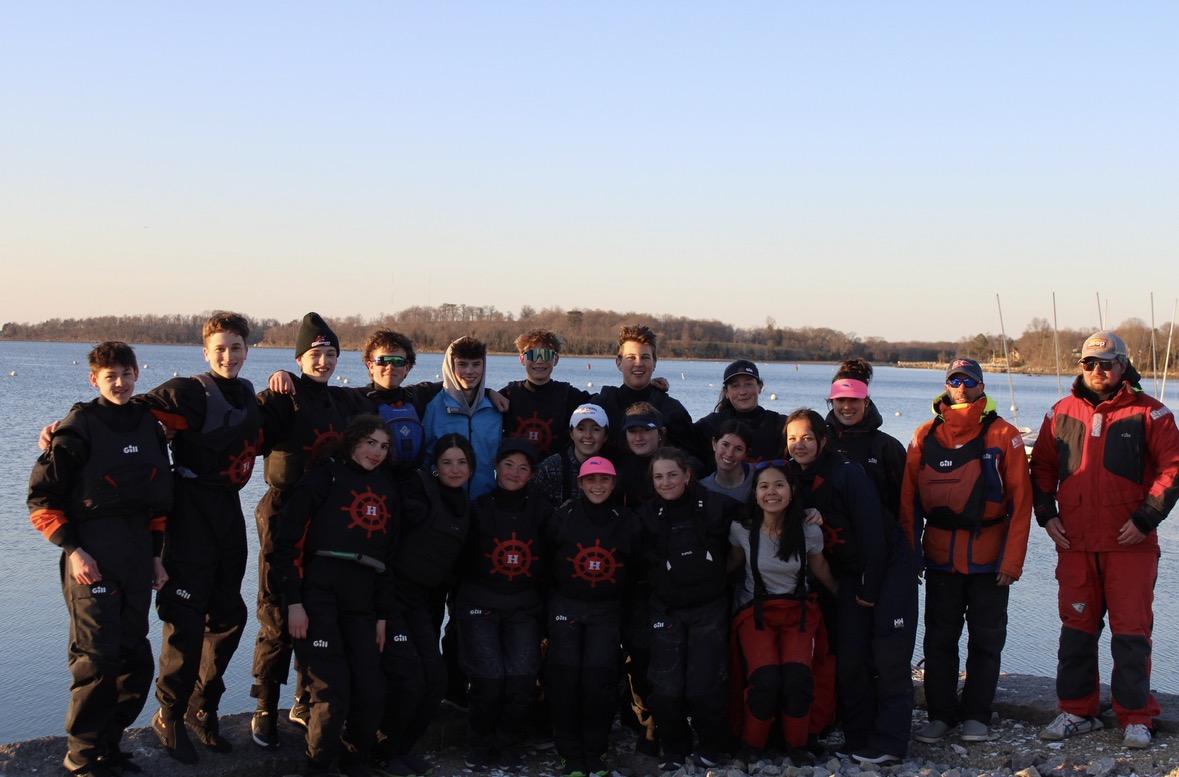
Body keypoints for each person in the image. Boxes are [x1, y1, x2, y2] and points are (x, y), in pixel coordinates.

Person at [29, 341, 173, 777]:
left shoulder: (149, 425)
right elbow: (42, 500)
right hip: (90, 553)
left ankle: (109, 745)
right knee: (97, 660)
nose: (120, 383)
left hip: (136, 553)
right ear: (95, 379)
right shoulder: (79, 426)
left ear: (137, 374)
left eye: (126, 374)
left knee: (135, 659)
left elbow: (158, 503)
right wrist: (72, 551)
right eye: (110, 376)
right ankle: (82, 755)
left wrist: (156, 558)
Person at [1031, 331, 1179, 749]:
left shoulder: (1152, 414)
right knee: (1076, 632)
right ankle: (1078, 711)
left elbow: (1173, 469)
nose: (1098, 370)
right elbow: (1041, 467)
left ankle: (1136, 716)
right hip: (1075, 545)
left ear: (1123, 365)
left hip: (1130, 545)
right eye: (1089, 363)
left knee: (1131, 633)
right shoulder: (1060, 412)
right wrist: (1046, 515)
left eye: (1107, 363)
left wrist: (1147, 519)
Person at [140, 311, 262, 763]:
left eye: (236, 348)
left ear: (247, 349)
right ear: (206, 352)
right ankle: (169, 713)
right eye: (220, 349)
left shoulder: (247, 393)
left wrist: (288, 379)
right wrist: (66, 427)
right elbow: (122, 408)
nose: (229, 356)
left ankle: (202, 705)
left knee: (229, 613)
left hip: (228, 509)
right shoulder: (188, 392)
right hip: (189, 509)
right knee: (186, 617)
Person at [900, 358, 1032, 747]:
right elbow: (908, 502)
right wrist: (911, 556)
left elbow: (1021, 503)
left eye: (969, 380)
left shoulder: (1004, 434)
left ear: (981, 387)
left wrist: (1013, 561)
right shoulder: (925, 435)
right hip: (940, 558)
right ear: (946, 386)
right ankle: (940, 715)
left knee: (986, 641)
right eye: (954, 380)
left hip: (990, 560)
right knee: (939, 640)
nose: (961, 386)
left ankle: (976, 715)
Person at [251, 312, 364, 749]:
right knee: (277, 608)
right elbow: (241, 421)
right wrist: (274, 381)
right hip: (283, 512)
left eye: (331, 354)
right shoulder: (282, 397)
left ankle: (303, 698)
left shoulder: (345, 401)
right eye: (315, 354)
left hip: (327, 517)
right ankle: (265, 704)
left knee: (315, 608)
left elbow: (399, 397)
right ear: (299, 358)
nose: (323, 361)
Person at [273, 415, 399, 777]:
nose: (376, 452)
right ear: (353, 440)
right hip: (317, 597)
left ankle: (355, 761)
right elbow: (286, 543)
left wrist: (382, 615)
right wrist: (294, 602)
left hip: (362, 603)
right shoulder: (324, 477)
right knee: (332, 693)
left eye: (384, 446)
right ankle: (317, 766)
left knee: (371, 689)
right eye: (370, 443)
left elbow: (388, 557)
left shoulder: (387, 488)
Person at [786, 408, 910, 766]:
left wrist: (871, 586)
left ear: (823, 440)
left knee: (887, 654)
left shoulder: (847, 473)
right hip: (847, 573)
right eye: (792, 438)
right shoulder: (792, 477)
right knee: (851, 657)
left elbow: (873, 531)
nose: (799, 445)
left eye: (807, 438)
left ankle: (890, 741)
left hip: (886, 566)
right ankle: (858, 736)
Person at [373, 434, 475, 777]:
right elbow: (388, 544)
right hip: (390, 596)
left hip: (420, 600)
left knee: (435, 679)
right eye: (447, 462)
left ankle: (402, 749)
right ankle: (382, 752)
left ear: (472, 467)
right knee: (409, 678)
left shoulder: (465, 504)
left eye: (462, 463)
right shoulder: (415, 493)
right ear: (435, 467)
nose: (455, 469)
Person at [727, 461, 837, 763]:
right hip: (756, 612)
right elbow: (731, 565)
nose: (771, 492)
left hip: (797, 612)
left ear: (792, 491)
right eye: (764, 486)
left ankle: (798, 745)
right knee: (765, 679)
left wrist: (846, 596)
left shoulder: (809, 531)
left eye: (779, 485)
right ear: (755, 493)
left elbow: (821, 569)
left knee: (798, 678)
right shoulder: (741, 530)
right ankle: (752, 745)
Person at [640, 447, 740, 771]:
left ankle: (712, 746)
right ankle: (674, 748)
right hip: (666, 607)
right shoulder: (646, 515)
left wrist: (807, 512)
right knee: (666, 686)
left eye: (672, 474)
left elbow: (761, 514)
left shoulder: (715, 505)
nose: (666, 482)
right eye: (658, 477)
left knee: (704, 685)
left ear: (687, 475)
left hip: (709, 606)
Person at [457, 438, 553, 771]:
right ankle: (480, 741)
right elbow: (458, 556)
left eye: (523, 468)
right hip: (480, 601)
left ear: (532, 474)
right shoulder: (478, 507)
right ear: (496, 466)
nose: (515, 472)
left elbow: (557, 553)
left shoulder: (542, 509)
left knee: (523, 676)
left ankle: (508, 741)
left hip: (524, 604)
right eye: (509, 465)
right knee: (488, 678)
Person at [545, 456, 641, 777]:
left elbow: (637, 568)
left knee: (598, 682)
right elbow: (546, 561)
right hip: (566, 607)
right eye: (591, 479)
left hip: (606, 611)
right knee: (565, 680)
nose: (597, 486)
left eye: (604, 480)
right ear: (581, 483)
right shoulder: (564, 516)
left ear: (613, 484)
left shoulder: (626, 519)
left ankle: (595, 752)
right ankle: (569, 754)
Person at [423, 335, 504, 498]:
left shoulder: (496, 409)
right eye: (462, 364)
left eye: (476, 364)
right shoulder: (432, 408)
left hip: (484, 501)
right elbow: (424, 459)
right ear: (450, 366)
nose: (469, 371)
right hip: (443, 502)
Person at [592, 325, 692, 451]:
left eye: (645, 357)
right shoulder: (601, 406)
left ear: (654, 363)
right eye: (631, 357)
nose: (638, 363)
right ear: (618, 362)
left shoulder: (673, 412)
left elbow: (691, 457)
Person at [500, 329, 591, 459]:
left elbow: (605, 403)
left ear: (556, 359)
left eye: (546, 354)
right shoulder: (508, 394)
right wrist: (488, 392)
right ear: (522, 359)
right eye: (532, 354)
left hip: (557, 470)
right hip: (517, 470)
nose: (539, 361)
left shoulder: (567, 395)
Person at [690, 360, 786, 468]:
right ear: (726, 392)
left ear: (759, 387)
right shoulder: (711, 425)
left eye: (748, 384)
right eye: (735, 386)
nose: (743, 392)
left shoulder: (780, 424)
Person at [533, 403, 611, 507]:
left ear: (605, 435)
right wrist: (558, 513)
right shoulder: (549, 469)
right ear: (571, 434)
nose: (588, 435)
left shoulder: (614, 469)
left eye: (595, 429)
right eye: (581, 429)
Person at [698, 419, 754, 502]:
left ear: (746, 453)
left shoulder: (759, 477)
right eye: (725, 445)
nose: (729, 454)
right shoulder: (703, 489)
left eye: (738, 449)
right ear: (714, 444)